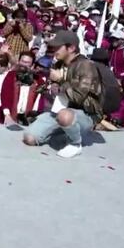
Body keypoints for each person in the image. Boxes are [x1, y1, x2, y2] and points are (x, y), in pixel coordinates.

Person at [22, 30, 104, 158]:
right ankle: (66, 131)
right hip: (58, 111)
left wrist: (61, 80)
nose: (54, 50)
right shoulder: (58, 64)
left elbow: (78, 97)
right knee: (30, 138)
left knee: (64, 115)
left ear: (71, 48)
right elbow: (51, 89)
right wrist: (46, 85)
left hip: (84, 114)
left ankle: (75, 144)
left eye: (58, 47)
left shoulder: (86, 66)